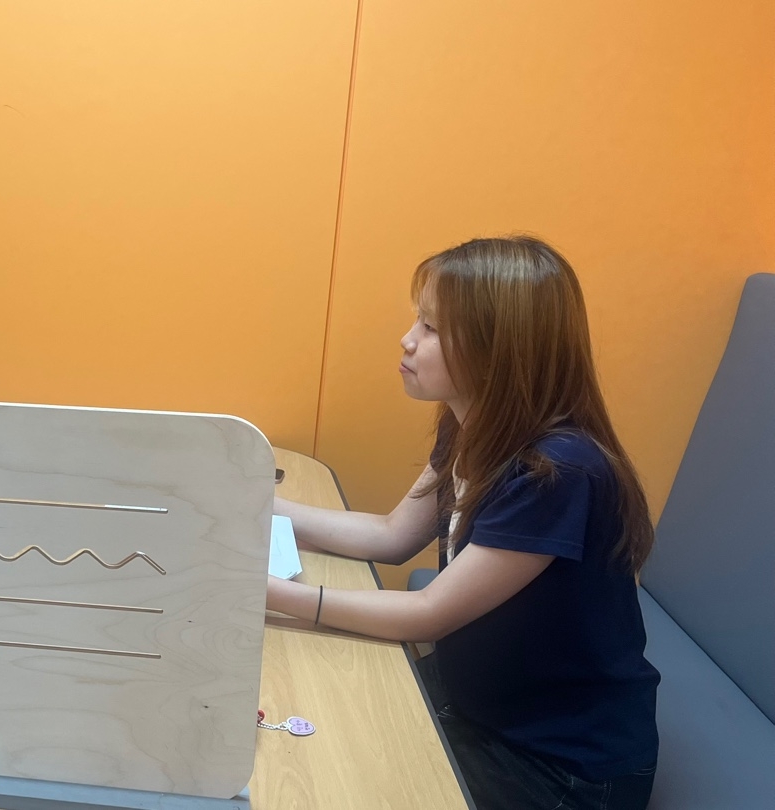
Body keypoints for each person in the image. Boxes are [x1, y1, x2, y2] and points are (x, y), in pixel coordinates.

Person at [267, 236, 659, 809]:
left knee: (326, 773)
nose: (407, 339)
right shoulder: (470, 425)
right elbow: (393, 536)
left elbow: (430, 613)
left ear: (499, 349)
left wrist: (264, 592)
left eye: (431, 328)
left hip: (557, 763)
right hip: (480, 702)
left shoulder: (557, 473)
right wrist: (259, 504)